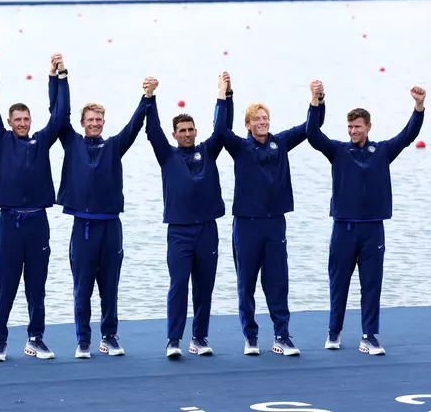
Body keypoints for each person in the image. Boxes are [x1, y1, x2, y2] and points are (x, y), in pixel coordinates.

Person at [306, 81, 426, 355]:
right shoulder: (338, 151)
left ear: (368, 127)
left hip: (373, 229)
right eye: (350, 127)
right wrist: (315, 101)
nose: (353, 131)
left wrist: (418, 107)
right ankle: (334, 332)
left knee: (371, 285)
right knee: (339, 284)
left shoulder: (382, 151)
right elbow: (312, 134)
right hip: (343, 229)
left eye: (358, 127)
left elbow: (408, 135)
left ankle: (369, 336)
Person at [214, 81, 325, 357]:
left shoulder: (281, 142)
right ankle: (250, 336)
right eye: (257, 119)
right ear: (248, 124)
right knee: (246, 283)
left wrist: (317, 100)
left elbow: (311, 129)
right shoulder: (240, 147)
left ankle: (282, 337)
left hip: (275, 223)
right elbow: (220, 130)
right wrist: (224, 96)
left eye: (265, 118)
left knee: (277, 282)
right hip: (247, 224)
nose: (262, 122)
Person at [0, 52, 70, 361]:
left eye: (26, 119)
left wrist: (58, 76)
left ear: (31, 121)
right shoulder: (0, 139)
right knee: (4, 285)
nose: (22, 123)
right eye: (17, 119)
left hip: (37, 223)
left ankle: (35, 339)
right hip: (9, 224)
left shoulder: (41, 141)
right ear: (9, 122)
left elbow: (61, 114)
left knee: (36, 285)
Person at [56, 75, 152, 359]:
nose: (95, 123)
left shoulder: (113, 146)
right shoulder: (72, 142)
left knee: (109, 287)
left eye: (99, 119)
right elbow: (59, 113)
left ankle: (109, 337)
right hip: (83, 228)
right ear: (82, 123)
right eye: (91, 120)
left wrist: (147, 98)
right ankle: (83, 341)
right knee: (82, 288)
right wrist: (60, 79)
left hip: (110, 226)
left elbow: (134, 126)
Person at [144, 73, 232, 358]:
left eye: (190, 129)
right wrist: (150, 97)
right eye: (181, 130)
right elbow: (152, 130)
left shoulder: (207, 151)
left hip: (207, 230)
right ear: (174, 134)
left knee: (204, 288)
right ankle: (174, 340)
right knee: (179, 285)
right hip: (179, 232)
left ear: (196, 131)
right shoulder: (166, 155)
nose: (187, 134)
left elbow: (222, 129)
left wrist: (223, 94)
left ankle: (199, 338)